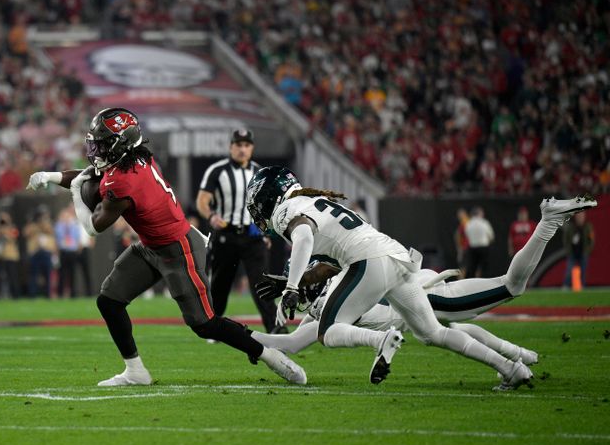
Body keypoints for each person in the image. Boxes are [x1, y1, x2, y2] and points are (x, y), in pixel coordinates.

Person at [26, 107, 306, 386]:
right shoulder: (134, 160)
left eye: (103, 143)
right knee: (109, 301)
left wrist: (75, 192)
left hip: (178, 248)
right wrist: (50, 176)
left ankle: (269, 354)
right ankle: (135, 371)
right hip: (152, 246)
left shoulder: (123, 181)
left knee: (205, 323)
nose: (96, 149)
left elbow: (91, 226)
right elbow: (90, 177)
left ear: (121, 142)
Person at [244, 166, 563, 391]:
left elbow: (303, 239)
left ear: (270, 196)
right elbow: (323, 260)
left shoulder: (288, 210)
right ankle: (511, 368)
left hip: (368, 262)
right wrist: (249, 332)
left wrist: (290, 286)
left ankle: (381, 341)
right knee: (434, 333)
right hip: (397, 257)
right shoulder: (313, 201)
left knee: (329, 331)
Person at [250, 195, 598, 366]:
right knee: (447, 329)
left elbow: (292, 342)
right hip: (408, 273)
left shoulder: (332, 301)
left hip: (425, 292)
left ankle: (548, 222)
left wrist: (238, 332)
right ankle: (519, 360)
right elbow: (324, 272)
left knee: (509, 286)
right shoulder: (338, 286)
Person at [195, 129, 281, 332]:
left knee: (262, 284)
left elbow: (267, 206)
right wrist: (211, 216)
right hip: (226, 235)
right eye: (238, 145)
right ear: (231, 147)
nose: (242, 149)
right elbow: (202, 201)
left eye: (246, 145)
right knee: (220, 286)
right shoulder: (217, 170)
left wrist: (266, 231)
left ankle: (275, 328)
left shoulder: (261, 172)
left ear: (252, 148)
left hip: (253, 237)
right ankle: (213, 328)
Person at [55, 206, 93, 297]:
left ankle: (76, 293)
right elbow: (58, 237)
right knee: (62, 273)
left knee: (74, 273)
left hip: (74, 251)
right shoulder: (59, 226)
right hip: (63, 251)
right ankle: (60, 293)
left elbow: (77, 237)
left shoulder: (76, 224)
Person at [23, 206, 57, 298]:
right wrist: (34, 223)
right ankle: (32, 295)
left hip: (46, 252)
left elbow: (50, 231)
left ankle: (48, 294)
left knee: (47, 275)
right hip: (35, 252)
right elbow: (26, 233)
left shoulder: (48, 224)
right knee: (33, 275)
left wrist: (44, 222)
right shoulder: (32, 225)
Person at [562, 211, 595, 289]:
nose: (580, 218)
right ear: (575, 217)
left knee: (583, 271)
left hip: (583, 252)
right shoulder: (571, 226)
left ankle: (581, 286)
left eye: (581, 216)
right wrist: (568, 250)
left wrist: (588, 251)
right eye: (578, 216)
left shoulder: (588, 226)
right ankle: (566, 286)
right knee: (569, 270)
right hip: (572, 252)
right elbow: (566, 239)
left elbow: (591, 240)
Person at [464, 207, 494, 278]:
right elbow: (491, 237)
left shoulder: (468, 224)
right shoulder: (484, 223)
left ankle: (471, 285)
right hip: (483, 247)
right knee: (484, 268)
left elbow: (467, 235)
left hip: (472, 248)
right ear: (479, 213)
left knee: (472, 268)